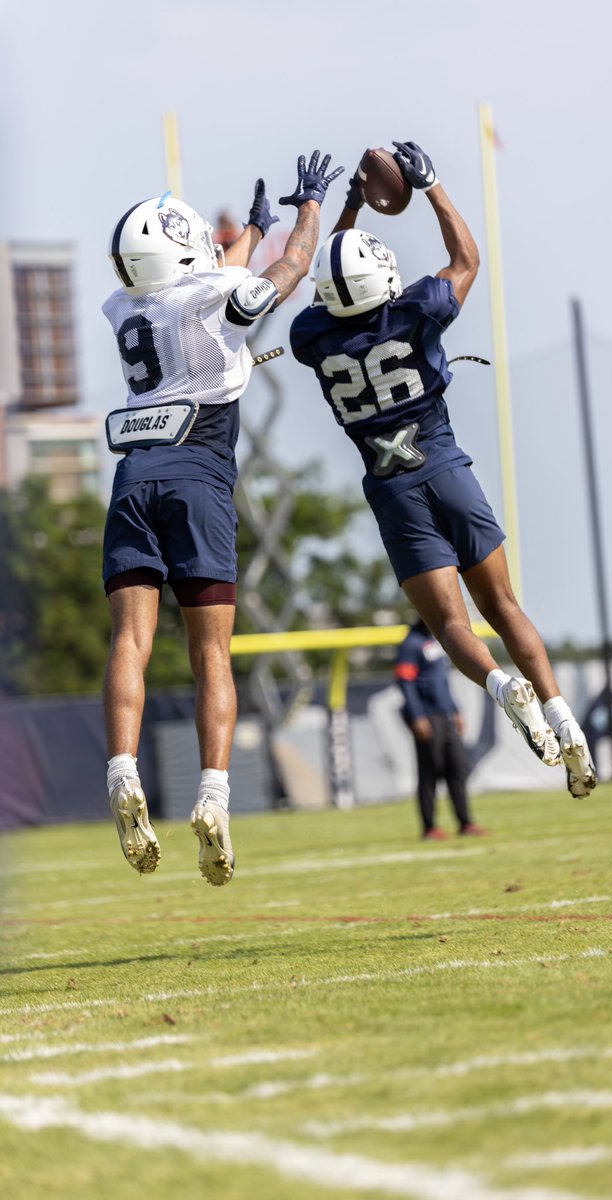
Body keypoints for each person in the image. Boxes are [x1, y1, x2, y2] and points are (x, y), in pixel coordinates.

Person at [289, 140, 596, 800]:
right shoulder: (417, 309)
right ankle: (562, 716)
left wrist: (345, 212)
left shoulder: (313, 340)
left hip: (392, 492)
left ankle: (496, 684)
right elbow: (467, 259)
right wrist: (432, 189)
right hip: (447, 468)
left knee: (452, 625)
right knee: (504, 604)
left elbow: (326, 286)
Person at [102, 151, 343, 886]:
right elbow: (289, 273)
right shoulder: (209, 293)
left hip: (132, 477)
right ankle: (214, 794)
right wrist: (304, 213)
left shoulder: (127, 305)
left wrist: (250, 231)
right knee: (210, 653)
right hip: (197, 473)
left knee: (132, 639)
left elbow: (204, 274)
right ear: (182, 251)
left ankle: (120, 770)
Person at [395, 617, 487, 839]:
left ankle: (465, 823)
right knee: (429, 772)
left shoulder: (436, 641)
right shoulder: (411, 644)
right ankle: (429, 827)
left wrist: (455, 710)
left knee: (458, 768)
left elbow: (443, 682)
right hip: (426, 716)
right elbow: (405, 683)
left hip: (445, 715)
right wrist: (417, 716)